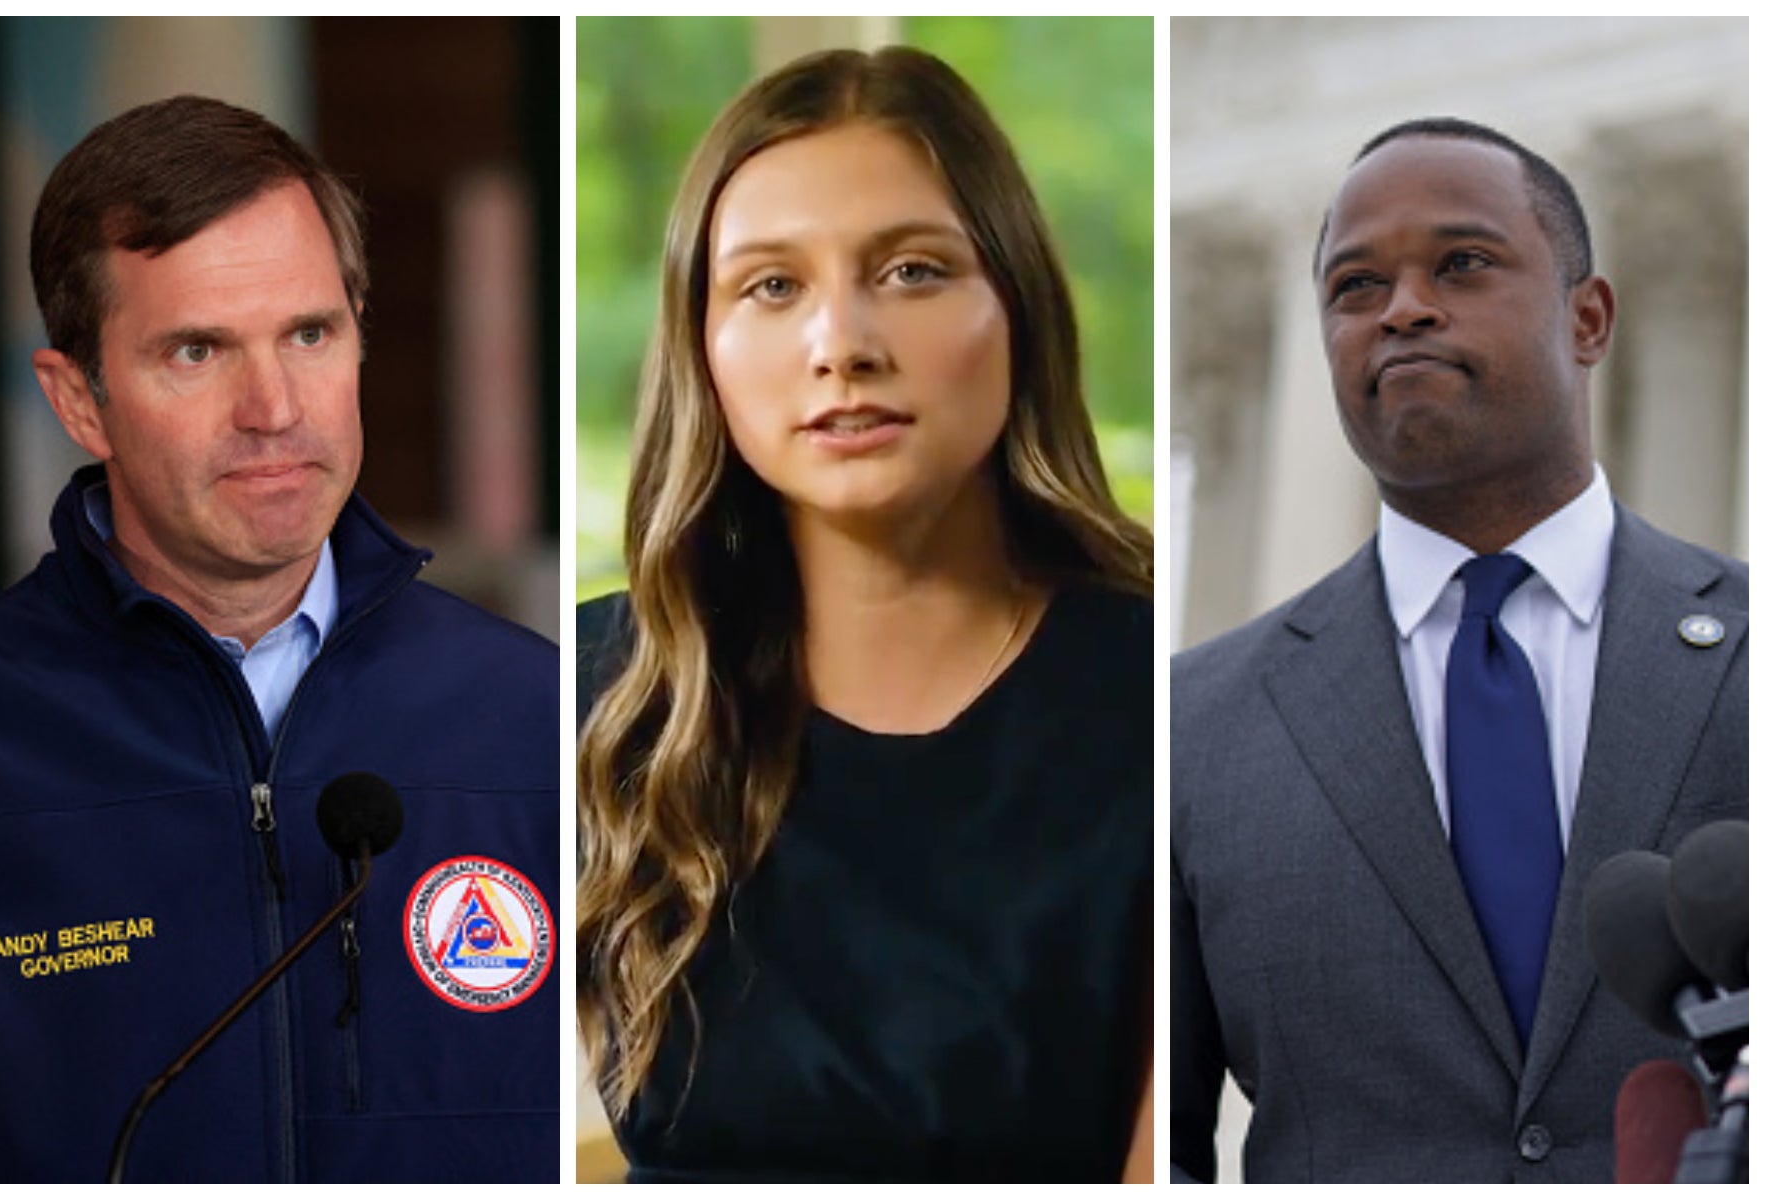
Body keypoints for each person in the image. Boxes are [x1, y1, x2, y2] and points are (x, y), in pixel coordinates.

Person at [575, 46, 1154, 1183]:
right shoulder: (594, 698)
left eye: (913, 271)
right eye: (772, 286)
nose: (842, 346)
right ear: (703, 346)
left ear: (1020, 307)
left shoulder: (1165, 707)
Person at [0, 95, 560, 1183]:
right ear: (81, 403)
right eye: (197, 351)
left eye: (309, 333)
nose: (273, 407)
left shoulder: (537, 712)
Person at [1170, 118, 1747, 1182]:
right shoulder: (1191, 727)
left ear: (1589, 317)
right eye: (1353, 287)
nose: (1402, 308)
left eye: (1463, 264)